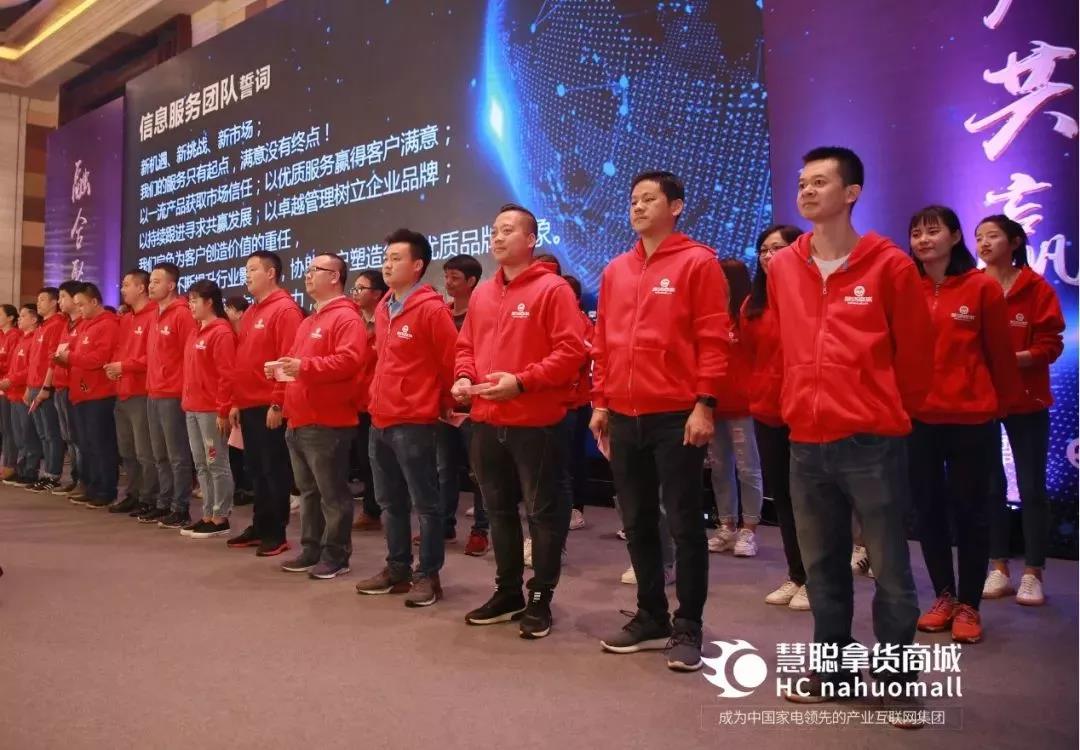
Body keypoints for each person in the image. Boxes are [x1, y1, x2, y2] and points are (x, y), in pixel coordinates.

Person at [766, 147, 932, 721]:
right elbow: (781, 344)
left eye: (820, 182)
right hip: (805, 441)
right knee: (822, 567)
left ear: (852, 193)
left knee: (890, 569)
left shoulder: (890, 266)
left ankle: (897, 680)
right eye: (802, 183)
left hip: (871, 441)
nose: (807, 192)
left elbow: (916, 355)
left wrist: (883, 408)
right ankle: (832, 670)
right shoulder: (783, 267)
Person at [591, 171, 729, 672]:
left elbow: (714, 338)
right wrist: (601, 402)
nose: (637, 207)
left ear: (676, 206)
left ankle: (688, 624)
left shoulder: (698, 262)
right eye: (633, 200)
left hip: (676, 414)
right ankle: (651, 615)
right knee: (636, 520)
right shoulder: (616, 270)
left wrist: (705, 403)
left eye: (648, 199)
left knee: (685, 522)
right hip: (624, 414)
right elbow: (603, 342)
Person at [454, 203, 585, 639]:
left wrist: (522, 382)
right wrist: (464, 376)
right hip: (486, 419)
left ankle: (539, 597)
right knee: (497, 511)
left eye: (508, 230)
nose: (497, 236)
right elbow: (465, 346)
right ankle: (507, 591)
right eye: (494, 230)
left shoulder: (552, 289)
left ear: (531, 239)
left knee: (543, 513)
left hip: (536, 421)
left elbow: (571, 352)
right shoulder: (483, 294)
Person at [907, 206, 1021, 644]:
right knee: (928, 511)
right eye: (916, 233)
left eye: (932, 231)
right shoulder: (905, 287)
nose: (923, 240)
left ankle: (970, 604)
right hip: (919, 419)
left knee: (972, 512)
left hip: (973, 418)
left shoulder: (981, 287)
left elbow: (1000, 355)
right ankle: (944, 596)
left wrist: (1001, 406)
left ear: (955, 237)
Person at [355, 230, 458, 606]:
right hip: (379, 417)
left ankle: (428, 575)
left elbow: (450, 360)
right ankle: (397, 569)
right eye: (386, 258)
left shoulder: (431, 309)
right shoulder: (384, 307)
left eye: (396, 258)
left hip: (414, 418)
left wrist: (444, 402)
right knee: (389, 501)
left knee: (425, 503)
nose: (387, 264)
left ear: (417, 266)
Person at [979, 215, 1066, 607]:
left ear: (1014, 242)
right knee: (990, 485)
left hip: (1027, 400)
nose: (984, 243)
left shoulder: (1036, 287)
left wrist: (1014, 359)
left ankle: (1033, 572)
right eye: (979, 237)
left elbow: (1051, 343)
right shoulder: (973, 285)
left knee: (1031, 487)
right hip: (981, 400)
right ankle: (998, 567)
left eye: (993, 236)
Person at [277, 253, 366, 579]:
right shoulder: (309, 320)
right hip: (299, 419)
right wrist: (284, 371)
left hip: (328, 420)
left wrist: (304, 366)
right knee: (308, 492)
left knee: (332, 494)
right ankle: (311, 549)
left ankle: (337, 555)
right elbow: (299, 365)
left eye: (316, 269)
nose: (308, 274)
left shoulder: (346, 318)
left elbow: (349, 361)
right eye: (308, 268)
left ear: (335, 276)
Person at [741, 224, 809, 610]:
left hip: (807, 410)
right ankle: (797, 574)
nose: (769, 256)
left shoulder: (809, 295)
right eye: (764, 250)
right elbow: (751, 357)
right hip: (768, 411)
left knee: (811, 499)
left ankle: (818, 578)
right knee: (783, 497)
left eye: (778, 248)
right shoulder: (752, 305)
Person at [227, 251, 303, 556]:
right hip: (248, 403)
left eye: (253, 269)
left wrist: (278, 403)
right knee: (256, 469)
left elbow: (288, 359)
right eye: (246, 269)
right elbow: (242, 360)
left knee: (274, 469)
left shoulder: (285, 310)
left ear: (271, 273)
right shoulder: (252, 312)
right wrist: (235, 401)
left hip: (268, 404)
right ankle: (260, 526)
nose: (247, 274)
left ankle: (276, 532)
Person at [708, 258, 765, 558]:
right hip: (712, 403)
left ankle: (749, 529)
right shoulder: (711, 314)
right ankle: (726, 526)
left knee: (747, 468)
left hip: (744, 405)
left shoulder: (749, 312)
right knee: (719, 469)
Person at [138, 262, 197, 529]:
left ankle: (180, 507)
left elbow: (190, 356)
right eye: (150, 281)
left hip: (173, 393)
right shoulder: (155, 314)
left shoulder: (182, 314)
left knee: (177, 455)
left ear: (171, 285)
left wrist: (183, 389)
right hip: (153, 391)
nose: (150, 286)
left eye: (156, 281)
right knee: (159, 454)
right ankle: (163, 502)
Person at [439, 253, 490, 555]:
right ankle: (444, 526)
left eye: (455, 278)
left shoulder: (482, 314)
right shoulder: (441, 313)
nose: (448, 282)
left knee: (479, 472)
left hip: (475, 405)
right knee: (444, 470)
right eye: (446, 276)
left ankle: (480, 530)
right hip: (446, 404)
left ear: (471, 281)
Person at [180, 281, 237, 538]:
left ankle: (220, 516)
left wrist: (223, 410)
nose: (190, 306)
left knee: (216, 462)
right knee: (201, 463)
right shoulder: (196, 331)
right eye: (189, 301)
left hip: (211, 409)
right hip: (192, 407)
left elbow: (227, 375)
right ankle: (207, 514)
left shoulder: (221, 332)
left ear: (209, 302)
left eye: (194, 301)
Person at [56, 283, 120, 510]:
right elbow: (74, 353)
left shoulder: (108, 324)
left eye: (82, 304)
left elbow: (99, 358)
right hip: (80, 393)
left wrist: (70, 357)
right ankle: (91, 486)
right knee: (85, 444)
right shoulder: (85, 325)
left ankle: (106, 490)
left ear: (94, 302)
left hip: (99, 394)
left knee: (101, 444)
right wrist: (63, 358)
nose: (79, 309)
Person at [106, 270, 159, 516]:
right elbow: (119, 350)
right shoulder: (126, 319)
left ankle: (149, 497)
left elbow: (155, 356)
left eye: (127, 285)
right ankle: (133, 493)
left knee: (145, 451)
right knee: (126, 450)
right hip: (122, 391)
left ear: (141, 288)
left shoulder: (155, 315)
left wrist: (125, 366)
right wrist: (114, 368)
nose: (122, 289)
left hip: (142, 391)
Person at [349, 268, 388, 530]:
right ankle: (371, 509)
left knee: (379, 460)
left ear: (377, 293)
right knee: (363, 458)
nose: (355, 293)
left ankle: (378, 509)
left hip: (379, 401)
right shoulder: (353, 321)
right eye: (354, 288)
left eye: (361, 288)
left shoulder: (386, 320)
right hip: (355, 401)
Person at [24, 287, 66, 492]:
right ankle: (46, 472)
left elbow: (53, 361)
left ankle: (53, 474)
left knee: (52, 433)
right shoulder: (42, 326)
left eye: (42, 299)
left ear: (54, 302)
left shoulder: (57, 324)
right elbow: (33, 361)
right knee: (43, 434)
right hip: (33, 386)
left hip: (45, 387)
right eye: (38, 299)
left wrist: (45, 387)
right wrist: (28, 387)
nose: (38, 303)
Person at [561, 273, 593, 533]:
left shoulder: (583, 322)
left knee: (573, 456)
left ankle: (576, 508)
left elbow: (585, 354)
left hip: (577, 401)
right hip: (551, 401)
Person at [48, 281, 86, 497]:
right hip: (61, 385)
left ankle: (83, 479)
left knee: (79, 437)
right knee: (68, 437)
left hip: (77, 388)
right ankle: (75, 477)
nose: (60, 301)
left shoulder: (84, 324)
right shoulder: (66, 325)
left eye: (63, 296)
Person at [0, 305, 38, 485]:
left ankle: (26, 470)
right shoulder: (21, 338)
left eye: (23, 316)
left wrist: (10, 379)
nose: (20, 319)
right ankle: (16, 467)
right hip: (11, 390)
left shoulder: (19, 336)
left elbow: (31, 367)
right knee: (13, 432)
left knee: (25, 433)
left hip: (22, 391)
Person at [0, 305, 23, 481]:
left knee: (9, 428)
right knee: (4, 428)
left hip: (9, 387)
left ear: (10, 318)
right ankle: (6, 464)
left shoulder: (15, 335)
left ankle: (10, 465)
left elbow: (12, 363)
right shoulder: (2, 335)